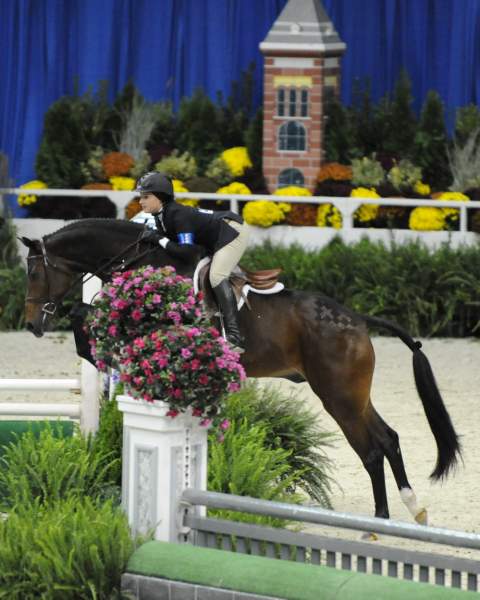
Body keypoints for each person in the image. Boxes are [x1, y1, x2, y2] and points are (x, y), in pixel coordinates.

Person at [135, 171, 249, 353]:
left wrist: (158, 240)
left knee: (216, 276)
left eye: (146, 197)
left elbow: (187, 252)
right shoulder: (161, 216)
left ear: (160, 198)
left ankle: (235, 336)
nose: (141, 202)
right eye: (141, 197)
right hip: (214, 236)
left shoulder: (178, 215)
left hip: (232, 232)